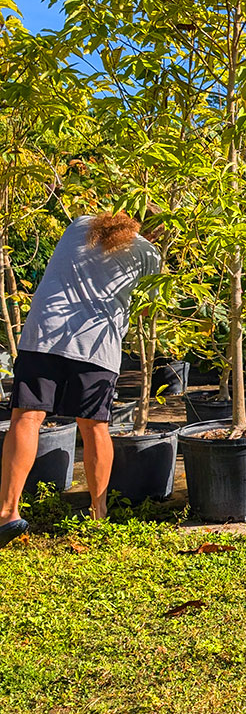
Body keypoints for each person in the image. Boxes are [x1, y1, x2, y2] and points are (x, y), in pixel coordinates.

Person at [1, 212, 161, 547]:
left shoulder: (81, 225)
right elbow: (147, 308)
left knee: (27, 416)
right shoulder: (149, 254)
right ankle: (98, 512)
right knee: (94, 426)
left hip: (45, 333)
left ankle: (7, 512)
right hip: (97, 344)